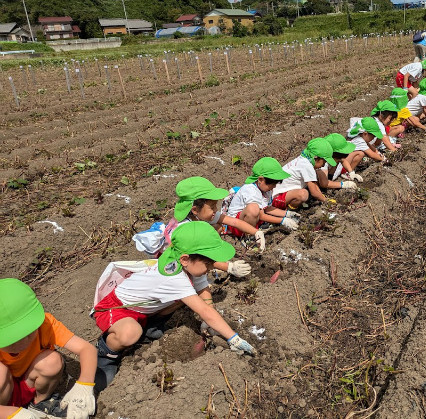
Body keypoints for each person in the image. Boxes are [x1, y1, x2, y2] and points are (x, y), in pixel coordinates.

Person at [94, 222, 255, 391]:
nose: (210, 268)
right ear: (185, 259)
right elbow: (204, 311)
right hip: (116, 308)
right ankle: (106, 355)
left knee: (185, 297)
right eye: (208, 263)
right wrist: (233, 338)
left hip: (143, 311)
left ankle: (150, 327)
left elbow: (202, 289)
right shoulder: (174, 277)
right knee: (130, 334)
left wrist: (210, 314)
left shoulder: (184, 262)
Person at [1, 278, 97, 419]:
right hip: (4, 397)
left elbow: (87, 349)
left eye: (28, 333)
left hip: (29, 382)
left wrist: (84, 385)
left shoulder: (45, 325)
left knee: (52, 361)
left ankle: (39, 404)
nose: (23, 342)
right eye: (13, 340)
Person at [133, 176, 265, 255]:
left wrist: (256, 232)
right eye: (212, 207)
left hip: (190, 254)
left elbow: (234, 222)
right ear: (195, 210)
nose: (215, 210)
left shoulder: (203, 215)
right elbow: (189, 258)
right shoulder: (186, 229)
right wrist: (227, 266)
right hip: (174, 262)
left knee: (217, 226)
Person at [225, 157, 300, 238]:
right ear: (260, 179)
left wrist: (287, 214)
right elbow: (261, 215)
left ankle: (258, 228)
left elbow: (267, 208)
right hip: (237, 225)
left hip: (252, 219)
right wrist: (282, 221)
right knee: (253, 209)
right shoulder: (251, 190)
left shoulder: (266, 190)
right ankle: (249, 236)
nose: (274, 186)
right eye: (272, 183)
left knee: (256, 210)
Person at [270, 138, 337, 208]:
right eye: (324, 162)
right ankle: (288, 210)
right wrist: (326, 201)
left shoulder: (302, 160)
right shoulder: (307, 166)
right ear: (316, 158)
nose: (323, 165)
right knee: (303, 194)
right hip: (276, 198)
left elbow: (314, 185)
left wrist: (321, 196)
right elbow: (314, 192)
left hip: (280, 194)